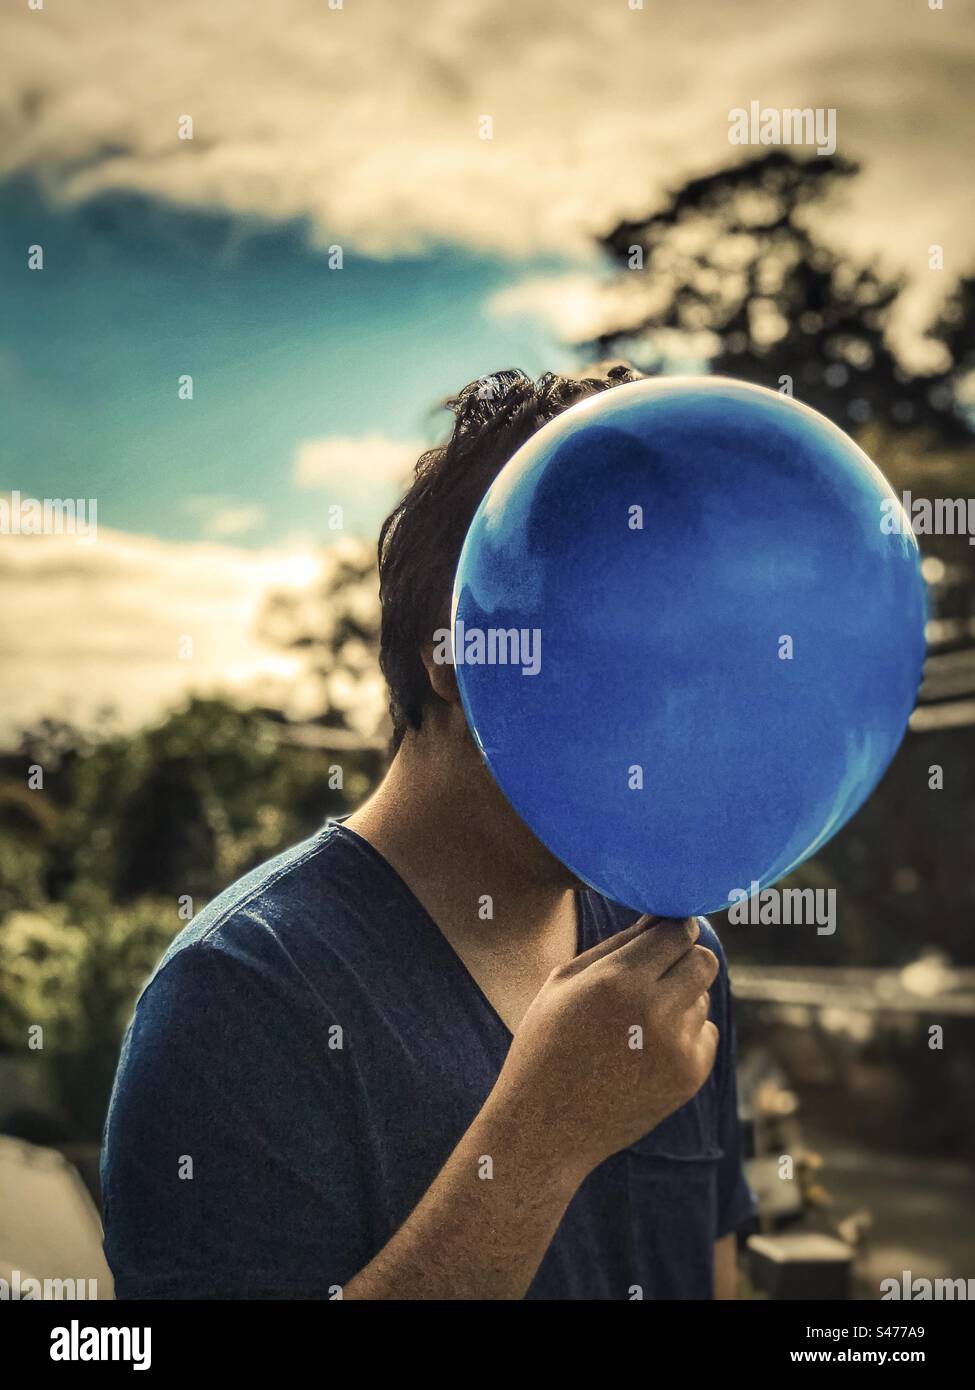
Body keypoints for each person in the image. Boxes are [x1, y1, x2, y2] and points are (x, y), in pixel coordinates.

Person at [101, 366, 755, 1300]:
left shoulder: (680, 964)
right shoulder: (236, 1002)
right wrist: (540, 1142)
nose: (674, 714)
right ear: (458, 651)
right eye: (626, 649)